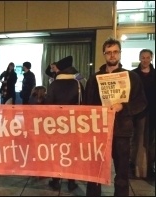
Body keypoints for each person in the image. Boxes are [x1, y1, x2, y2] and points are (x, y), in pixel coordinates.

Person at [84, 38, 147, 196]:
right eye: (109, 52)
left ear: (120, 53)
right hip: (99, 131)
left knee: (122, 173)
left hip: (122, 131)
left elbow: (141, 102)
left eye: (115, 52)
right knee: (94, 172)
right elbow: (87, 103)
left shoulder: (131, 77)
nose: (112, 55)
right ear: (104, 54)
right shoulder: (95, 78)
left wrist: (123, 107)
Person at [45, 55, 83, 192]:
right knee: (71, 154)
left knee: (57, 153)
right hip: (74, 125)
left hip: (56, 126)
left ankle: (56, 180)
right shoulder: (77, 84)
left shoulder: (54, 84)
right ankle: (71, 181)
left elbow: (47, 106)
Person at [131, 49, 155, 179]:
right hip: (137, 112)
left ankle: (149, 166)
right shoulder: (134, 74)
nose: (145, 60)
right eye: (143, 57)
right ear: (139, 58)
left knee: (150, 140)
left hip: (152, 111)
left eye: (147, 57)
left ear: (151, 58)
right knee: (136, 139)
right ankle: (134, 165)